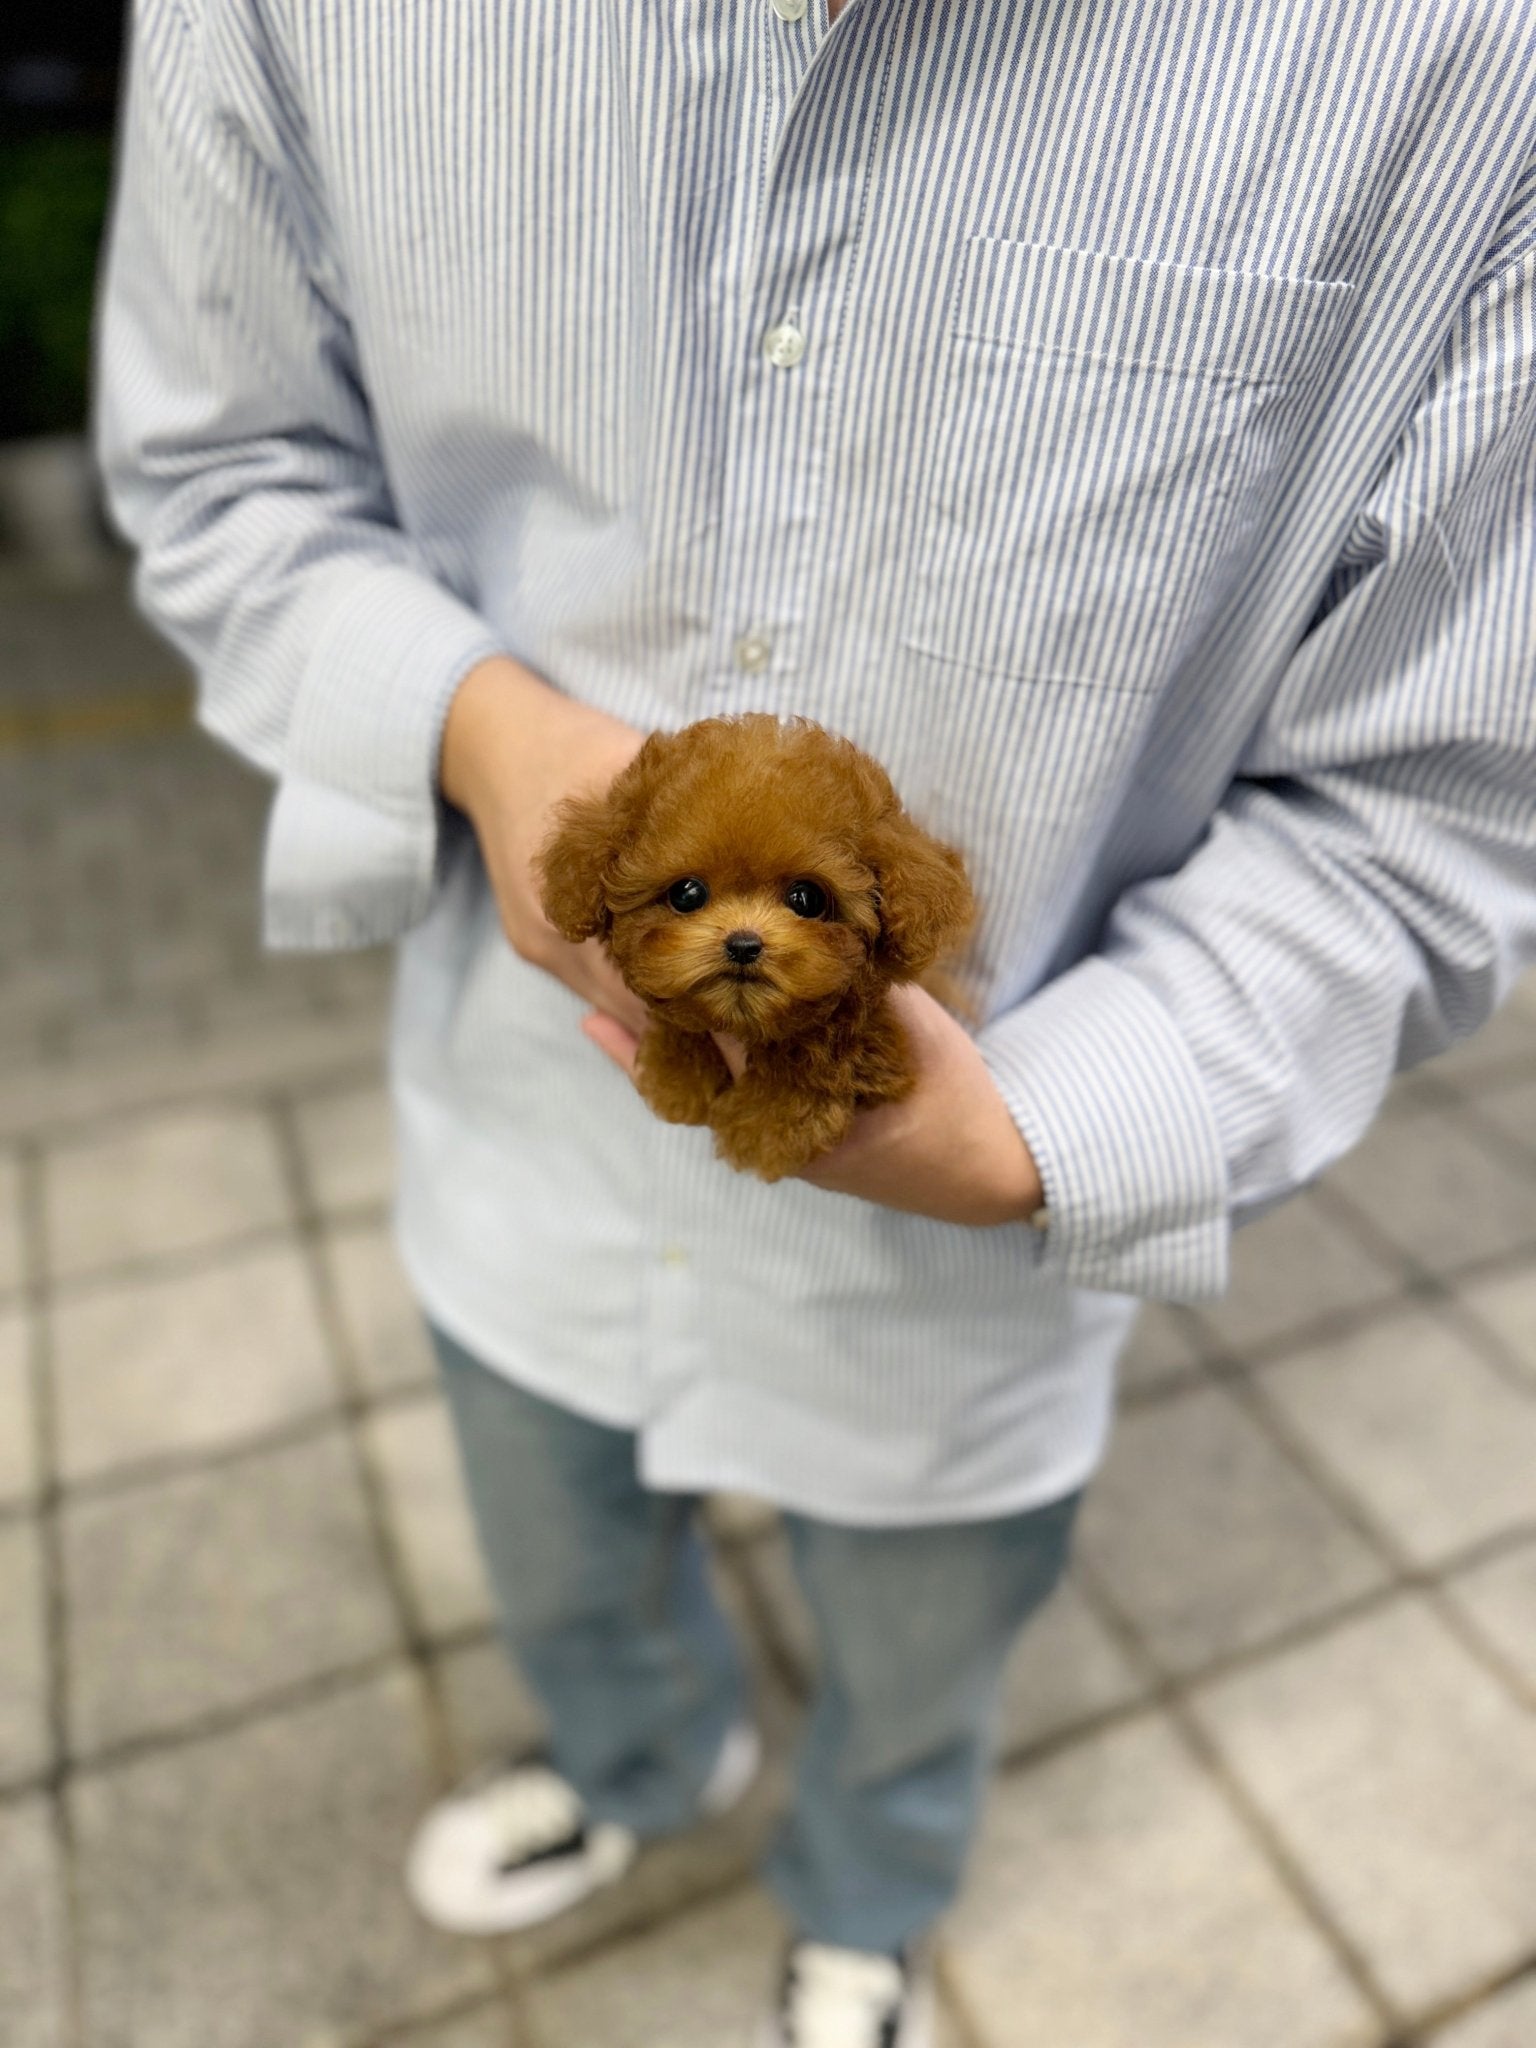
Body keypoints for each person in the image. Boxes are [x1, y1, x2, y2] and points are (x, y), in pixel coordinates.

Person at [97, 2, 1535, 2042]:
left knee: (931, 1641)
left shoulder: (1462, 63)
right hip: (524, 1124)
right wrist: (483, 729)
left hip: (981, 1244)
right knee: (555, 1544)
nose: (758, 939)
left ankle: (872, 1889)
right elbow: (223, 458)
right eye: (721, 907)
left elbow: (1448, 780)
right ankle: (632, 1755)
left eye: (800, 909)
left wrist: (1060, 1130)